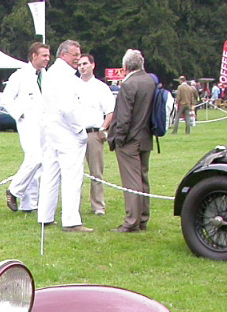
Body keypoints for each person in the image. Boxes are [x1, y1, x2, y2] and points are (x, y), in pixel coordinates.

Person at [36, 39, 91, 232]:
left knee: (50, 173)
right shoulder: (64, 76)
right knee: (72, 176)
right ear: (64, 55)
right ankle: (71, 220)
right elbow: (68, 108)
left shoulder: (52, 73)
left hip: (51, 130)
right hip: (66, 132)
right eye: (75, 55)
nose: (78, 59)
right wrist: (79, 130)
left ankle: (45, 215)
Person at [108, 49, 156, 233]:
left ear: (125, 66)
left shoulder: (129, 85)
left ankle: (131, 221)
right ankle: (143, 218)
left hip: (130, 139)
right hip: (145, 137)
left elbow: (124, 116)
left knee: (132, 181)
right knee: (143, 178)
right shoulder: (150, 81)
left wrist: (118, 139)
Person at [2, 42, 49, 213]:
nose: (47, 59)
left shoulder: (46, 75)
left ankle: (30, 204)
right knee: (35, 158)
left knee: (40, 164)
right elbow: (6, 98)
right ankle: (14, 190)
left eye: (48, 55)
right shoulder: (19, 76)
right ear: (34, 56)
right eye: (44, 55)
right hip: (28, 122)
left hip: (45, 122)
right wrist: (20, 114)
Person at [77, 53, 115, 215]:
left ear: (93, 65)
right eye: (79, 64)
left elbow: (110, 111)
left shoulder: (101, 87)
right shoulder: (73, 86)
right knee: (74, 172)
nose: (82, 67)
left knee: (96, 172)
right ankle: (73, 207)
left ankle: (98, 206)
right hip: (75, 134)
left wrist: (103, 129)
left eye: (85, 63)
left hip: (94, 133)